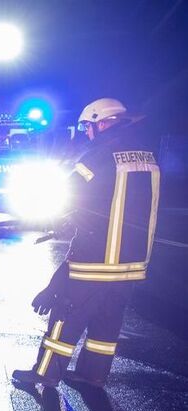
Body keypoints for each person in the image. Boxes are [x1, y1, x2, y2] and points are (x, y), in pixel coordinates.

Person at [12, 98, 160, 388]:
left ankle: (45, 373)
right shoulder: (148, 156)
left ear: (101, 123)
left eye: (86, 127)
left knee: (65, 315)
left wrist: (60, 219)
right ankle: (93, 375)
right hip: (131, 264)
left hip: (94, 259)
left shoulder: (99, 155)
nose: (86, 133)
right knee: (107, 322)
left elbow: (69, 194)